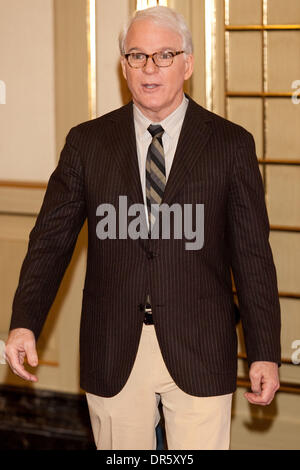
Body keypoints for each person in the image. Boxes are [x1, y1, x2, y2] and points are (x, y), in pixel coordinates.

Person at [5, 6, 281, 450]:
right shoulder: (87, 143)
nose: (149, 68)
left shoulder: (231, 145)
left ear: (187, 64)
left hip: (200, 345)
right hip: (114, 346)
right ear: (123, 65)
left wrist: (264, 350)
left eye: (164, 55)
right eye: (137, 56)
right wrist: (24, 322)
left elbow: (253, 258)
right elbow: (50, 241)